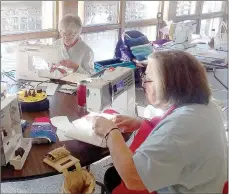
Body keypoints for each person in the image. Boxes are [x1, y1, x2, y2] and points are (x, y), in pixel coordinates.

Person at [91, 50, 227, 194]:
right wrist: (141, 123)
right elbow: (179, 140)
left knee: (116, 175)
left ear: (168, 84)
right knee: (113, 175)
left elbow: (133, 178)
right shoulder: (207, 106)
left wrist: (111, 132)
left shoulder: (179, 128)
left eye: (148, 79)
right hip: (206, 183)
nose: (143, 84)